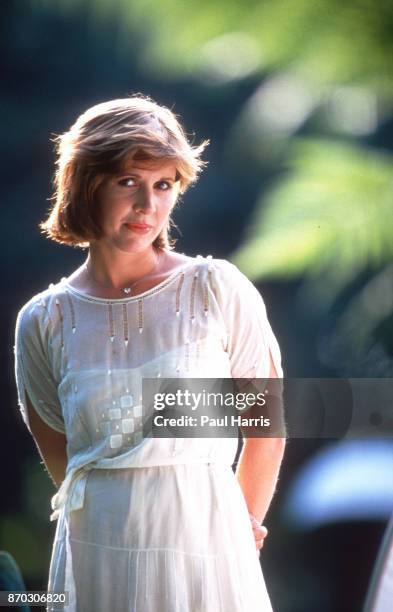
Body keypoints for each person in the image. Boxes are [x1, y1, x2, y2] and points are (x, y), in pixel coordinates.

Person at [13, 95, 286, 611]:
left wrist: (238, 531)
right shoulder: (44, 320)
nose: (148, 207)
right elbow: (66, 463)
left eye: (163, 185)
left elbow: (265, 427)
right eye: (128, 182)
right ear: (85, 185)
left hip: (206, 545)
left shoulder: (215, 288)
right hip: (97, 553)